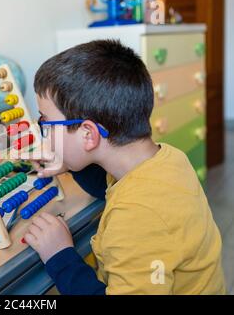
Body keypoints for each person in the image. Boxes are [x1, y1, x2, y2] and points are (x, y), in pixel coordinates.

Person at [22, 40, 225, 295]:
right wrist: (72, 164)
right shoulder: (167, 159)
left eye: (47, 122)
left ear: (88, 134)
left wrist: (60, 256)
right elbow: (108, 187)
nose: (45, 133)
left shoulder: (137, 217)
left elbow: (135, 214)